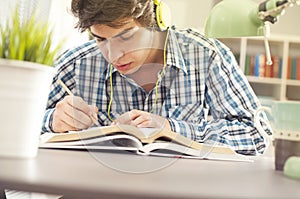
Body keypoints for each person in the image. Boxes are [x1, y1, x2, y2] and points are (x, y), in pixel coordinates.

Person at [42, 0, 272, 155]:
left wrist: (171, 129)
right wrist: (52, 120)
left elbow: (256, 135)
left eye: (125, 36)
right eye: (101, 39)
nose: (113, 55)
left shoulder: (207, 56)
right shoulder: (76, 63)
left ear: (156, 21)